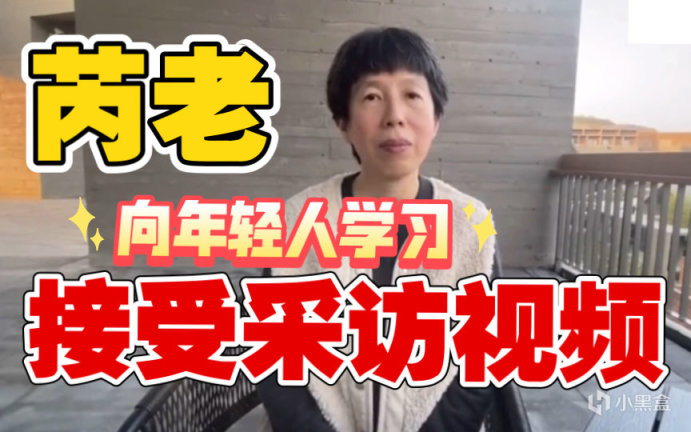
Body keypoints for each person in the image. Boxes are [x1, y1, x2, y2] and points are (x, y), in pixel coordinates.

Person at [257, 27, 497, 432]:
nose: (394, 116)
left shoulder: (472, 224)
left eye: (412, 95)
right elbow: (276, 359)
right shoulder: (296, 220)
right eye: (372, 97)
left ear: (436, 119)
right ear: (343, 122)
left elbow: (483, 357)